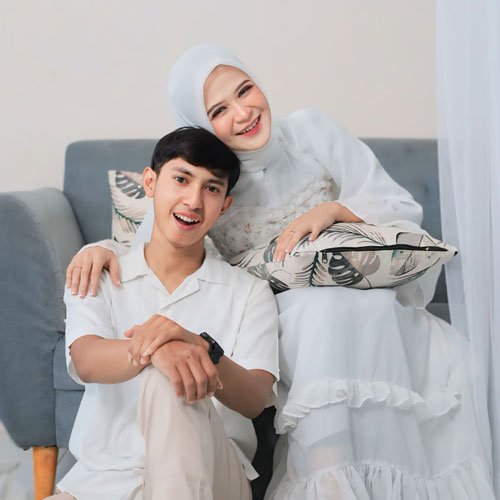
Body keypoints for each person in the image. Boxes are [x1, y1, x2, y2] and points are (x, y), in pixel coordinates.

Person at [67, 45, 495, 499]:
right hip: (294, 317)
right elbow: (158, 240)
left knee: (353, 308)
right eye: (219, 110)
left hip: (367, 301)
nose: (243, 113)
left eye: (245, 90)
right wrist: (98, 248)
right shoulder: (216, 181)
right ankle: (331, 479)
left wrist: (336, 211)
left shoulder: (311, 129)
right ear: (201, 124)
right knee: (311, 313)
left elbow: (399, 208)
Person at [49, 126, 279, 500]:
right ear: (150, 182)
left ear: (224, 205)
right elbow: (86, 359)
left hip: (211, 476)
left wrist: (201, 350)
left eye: (211, 188)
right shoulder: (97, 270)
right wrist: (159, 349)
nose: (193, 200)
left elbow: (254, 399)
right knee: (168, 364)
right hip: (103, 481)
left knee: (172, 378)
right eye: (181, 179)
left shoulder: (248, 291)